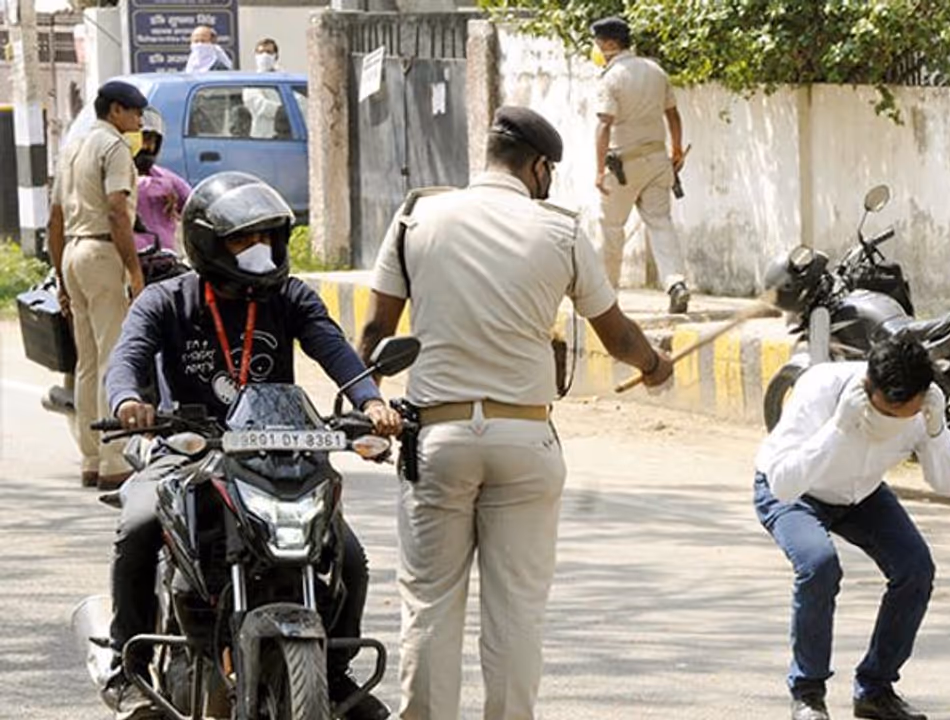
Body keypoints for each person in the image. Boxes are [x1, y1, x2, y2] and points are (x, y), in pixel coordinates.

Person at [359, 105, 674, 720]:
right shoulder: (559, 230)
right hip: (524, 439)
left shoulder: (417, 216)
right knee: (516, 613)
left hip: (438, 438)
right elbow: (616, 336)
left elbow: (373, 334)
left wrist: (367, 405)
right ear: (537, 167)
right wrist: (655, 366)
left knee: (429, 605)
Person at [101, 172, 400, 720]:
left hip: (274, 452)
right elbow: (127, 359)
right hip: (186, 450)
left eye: (266, 236)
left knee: (348, 555)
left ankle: (332, 676)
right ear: (209, 244)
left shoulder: (289, 297)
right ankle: (129, 667)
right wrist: (127, 402)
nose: (258, 249)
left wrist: (370, 402)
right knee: (140, 523)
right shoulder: (167, 300)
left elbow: (333, 349)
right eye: (242, 239)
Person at [753, 338, 950, 720]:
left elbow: (948, 484)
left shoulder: (924, 406)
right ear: (869, 386)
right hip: (798, 490)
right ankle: (808, 694)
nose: (894, 422)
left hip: (861, 493)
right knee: (819, 564)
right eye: (886, 412)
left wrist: (936, 430)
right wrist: (837, 428)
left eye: (905, 414)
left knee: (915, 568)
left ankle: (875, 690)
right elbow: (783, 483)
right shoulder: (822, 387)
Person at [47, 80, 148, 491]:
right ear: (117, 111)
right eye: (136, 113)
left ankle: (90, 457)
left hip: (72, 251)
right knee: (112, 357)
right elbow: (117, 211)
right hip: (103, 253)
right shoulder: (114, 148)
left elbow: (54, 218)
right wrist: (134, 269)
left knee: (86, 360)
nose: (139, 120)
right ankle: (112, 460)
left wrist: (60, 275)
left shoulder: (72, 148)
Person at [590, 15, 692, 314]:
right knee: (661, 223)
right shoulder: (655, 70)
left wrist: (598, 170)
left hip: (623, 164)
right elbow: (673, 115)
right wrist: (676, 152)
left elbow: (604, 125)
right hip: (658, 160)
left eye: (597, 42)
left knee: (611, 227)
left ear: (609, 43)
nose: (596, 48)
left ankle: (607, 295)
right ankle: (676, 284)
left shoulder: (612, 77)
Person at [132, 107, 191, 256]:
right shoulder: (118, 173)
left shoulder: (163, 175)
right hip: (132, 261)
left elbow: (192, 201)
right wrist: (163, 188)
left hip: (165, 262)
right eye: (143, 139)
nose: (147, 147)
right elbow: (138, 187)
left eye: (152, 141)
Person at [245, 38, 286, 139]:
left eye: (268, 52)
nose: (264, 56)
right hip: (262, 136)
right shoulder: (251, 81)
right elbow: (259, 105)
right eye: (260, 52)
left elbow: (298, 100)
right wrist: (284, 110)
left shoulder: (284, 77)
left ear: (276, 56)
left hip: (286, 134)